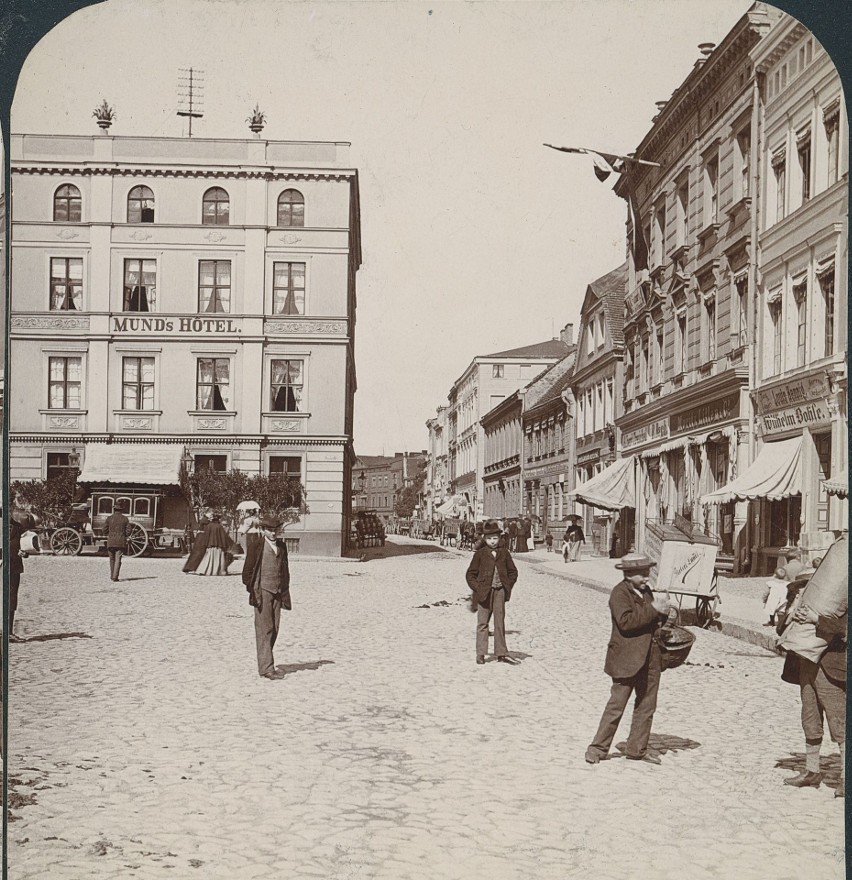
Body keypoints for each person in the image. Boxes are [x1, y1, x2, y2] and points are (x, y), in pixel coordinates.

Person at [585, 553, 673, 765]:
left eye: (647, 573)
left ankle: (636, 749)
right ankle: (597, 749)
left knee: (646, 705)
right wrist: (653, 610)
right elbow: (626, 622)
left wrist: (665, 612)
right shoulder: (619, 594)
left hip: (650, 657)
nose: (646, 578)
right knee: (616, 705)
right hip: (626, 659)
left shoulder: (646, 591)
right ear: (628, 574)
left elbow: (653, 618)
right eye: (642, 574)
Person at [780, 601, 846, 797]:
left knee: (839, 723)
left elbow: (845, 629)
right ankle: (812, 771)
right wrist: (791, 614)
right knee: (810, 719)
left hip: (831, 668)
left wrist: (816, 619)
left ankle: (846, 777)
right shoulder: (808, 597)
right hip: (806, 666)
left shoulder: (841, 594)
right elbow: (781, 630)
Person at [242, 514, 292, 680]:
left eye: (275, 530)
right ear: (263, 530)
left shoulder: (282, 547)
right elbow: (247, 572)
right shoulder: (256, 546)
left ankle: (265, 660)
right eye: (269, 530)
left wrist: (284, 588)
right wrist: (254, 588)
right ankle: (266, 668)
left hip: (278, 591)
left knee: (275, 627)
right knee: (265, 629)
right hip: (262, 591)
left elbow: (285, 569)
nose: (273, 533)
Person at [466, 520, 519, 665]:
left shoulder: (504, 553)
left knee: (499, 621)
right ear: (484, 539)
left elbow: (513, 572)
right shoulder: (480, 554)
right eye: (489, 539)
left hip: (499, 591)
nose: (493, 541)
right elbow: (470, 574)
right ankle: (481, 653)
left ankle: (501, 653)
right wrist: (477, 587)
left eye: (495, 538)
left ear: (499, 538)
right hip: (484, 593)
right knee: (482, 623)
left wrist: (507, 584)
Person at [6, 513, 31, 642]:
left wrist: (24, 553)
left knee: (11, 598)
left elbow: (26, 548)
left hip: (14, 567)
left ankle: (9, 633)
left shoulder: (19, 527)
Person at [105, 504, 132, 582]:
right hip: (120, 542)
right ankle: (115, 577)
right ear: (121, 510)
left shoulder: (109, 518)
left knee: (111, 559)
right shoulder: (125, 519)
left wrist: (109, 534)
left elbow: (104, 530)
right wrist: (124, 535)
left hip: (111, 541)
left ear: (114, 509)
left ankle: (112, 576)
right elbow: (129, 531)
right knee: (118, 560)